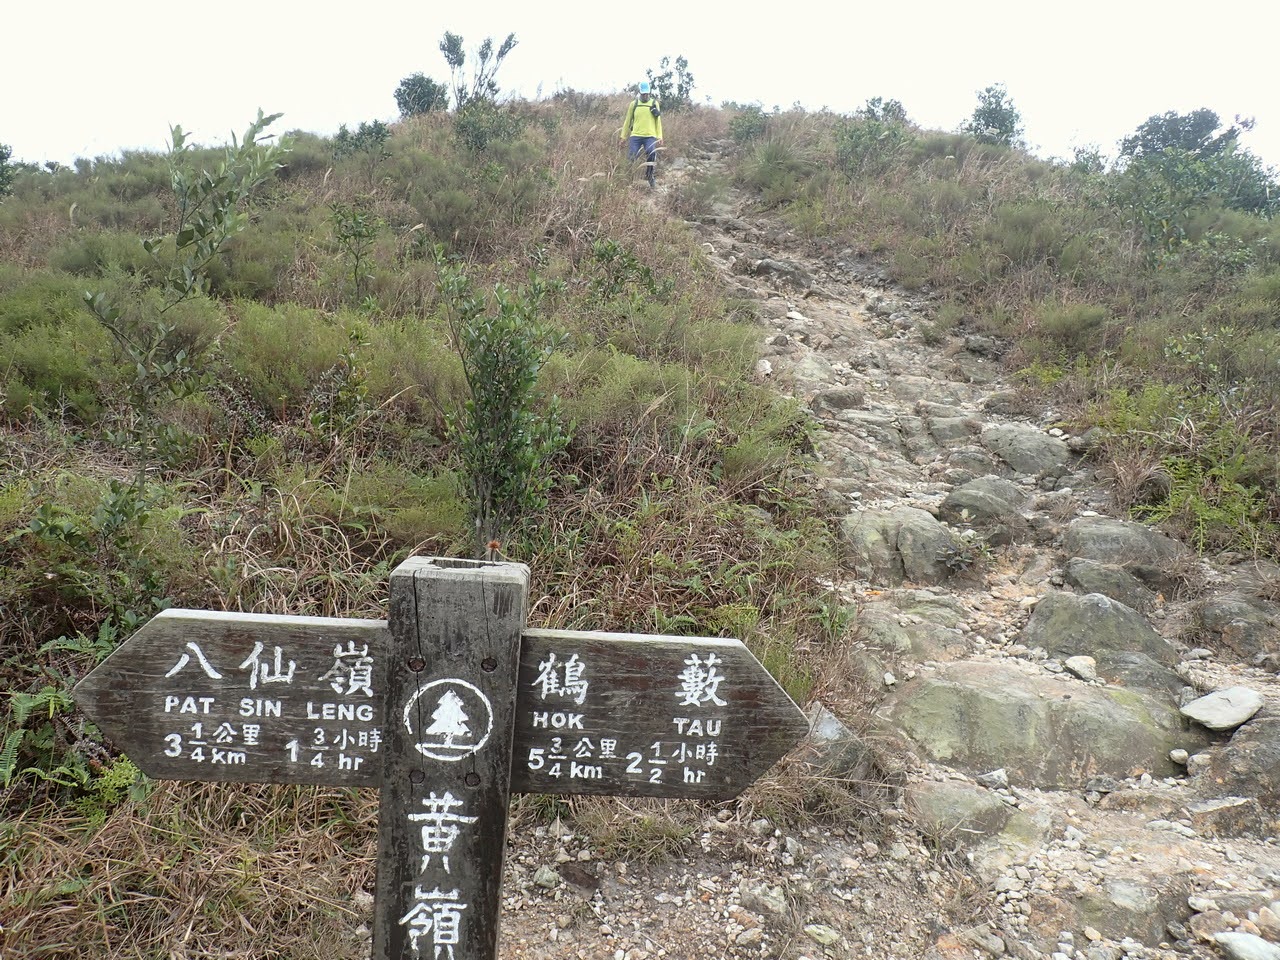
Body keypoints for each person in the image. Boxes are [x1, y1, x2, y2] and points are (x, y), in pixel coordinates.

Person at [620, 81, 663, 188]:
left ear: (649, 93)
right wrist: (623, 137)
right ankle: (628, 178)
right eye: (643, 94)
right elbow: (627, 121)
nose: (645, 96)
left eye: (647, 94)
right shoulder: (634, 104)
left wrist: (660, 136)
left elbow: (658, 121)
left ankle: (649, 175)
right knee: (631, 156)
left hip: (650, 136)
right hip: (636, 135)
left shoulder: (654, 103)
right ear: (640, 93)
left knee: (651, 153)